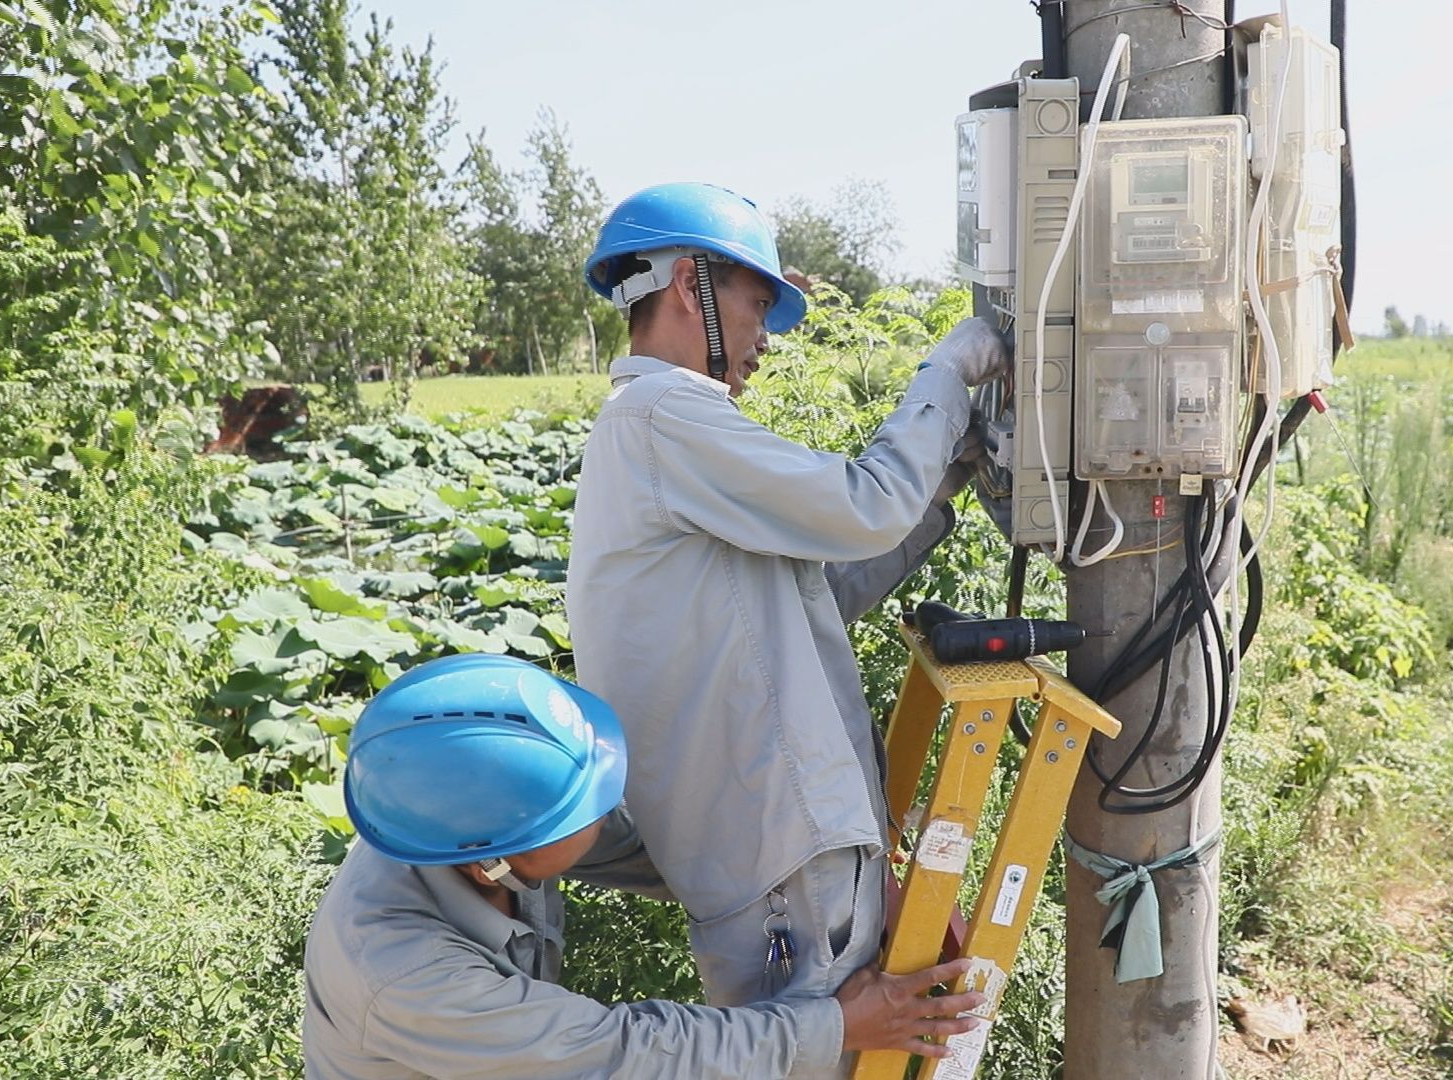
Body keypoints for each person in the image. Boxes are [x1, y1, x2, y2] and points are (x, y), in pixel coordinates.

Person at [565, 183, 1009, 1066]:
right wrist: (948, 377)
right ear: (690, 284)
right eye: (757, 302)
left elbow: (817, 593)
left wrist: (943, 479)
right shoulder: (664, 417)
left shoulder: (645, 437)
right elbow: (865, 505)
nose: (765, 338)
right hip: (779, 856)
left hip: (772, 856)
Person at [302, 653, 983, 1079]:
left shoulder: (461, 819)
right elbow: (618, 1055)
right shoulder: (405, 975)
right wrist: (833, 1027)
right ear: (492, 865)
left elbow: (657, 840)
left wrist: (843, 867)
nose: (610, 813)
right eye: (588, 809)